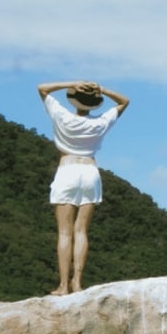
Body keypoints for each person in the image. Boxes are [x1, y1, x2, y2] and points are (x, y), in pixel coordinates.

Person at [37, 80, 131, 295]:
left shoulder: (62, 116)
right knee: (81, 231)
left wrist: (75, 83)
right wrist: (102, 89)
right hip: (90, 172)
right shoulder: (99, 123)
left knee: (64, 232)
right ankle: (77, 283)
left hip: (67, 169)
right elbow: (124, 101)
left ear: (74, 100)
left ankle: (63, 285)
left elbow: (42, 88)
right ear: (94, 103)